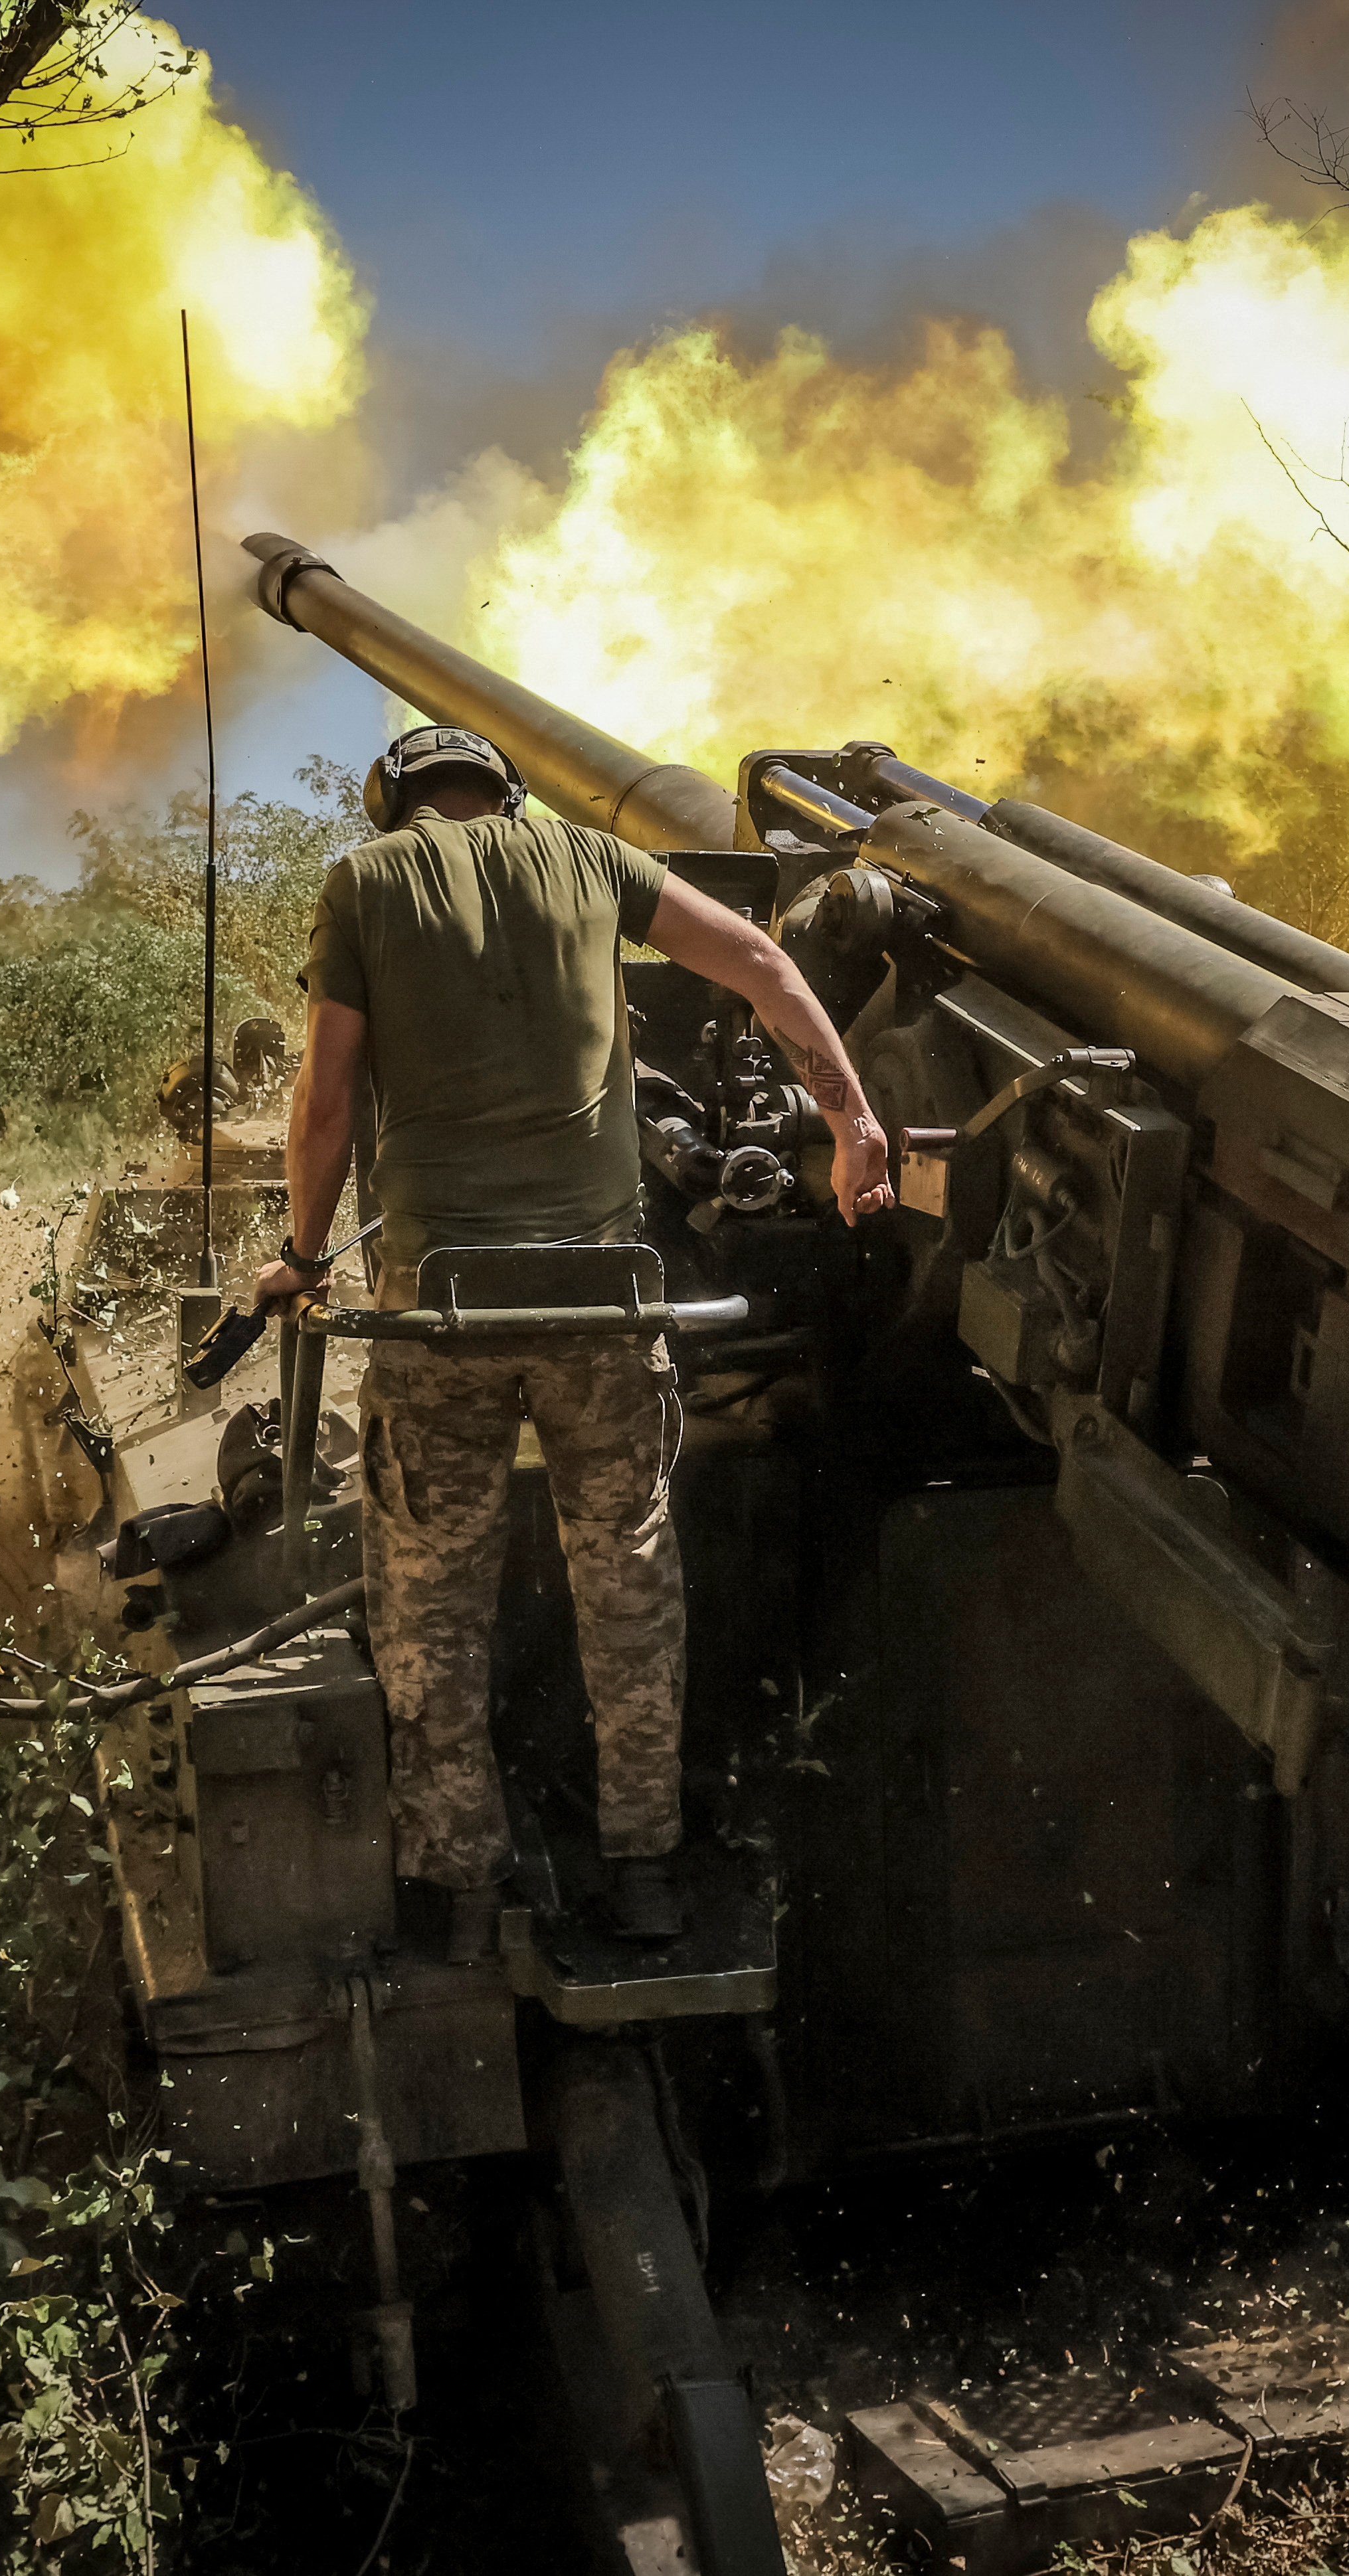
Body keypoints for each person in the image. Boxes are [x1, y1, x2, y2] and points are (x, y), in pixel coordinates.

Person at [248, 724, 891, 1962]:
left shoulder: (362, 883)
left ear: (395, 804)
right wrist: (852, 1118)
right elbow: (761, 958)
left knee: (431, 1604)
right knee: (631, 1591)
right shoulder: (595, 862)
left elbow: (326, 1097)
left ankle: (465, 1887)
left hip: (444, 1307)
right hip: (610, 1301)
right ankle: (644, 1875)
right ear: (506, 790)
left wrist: (305, 1252)